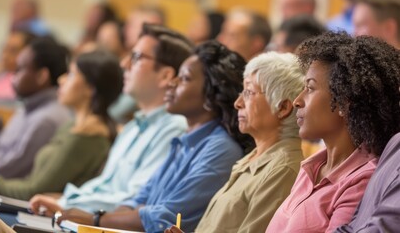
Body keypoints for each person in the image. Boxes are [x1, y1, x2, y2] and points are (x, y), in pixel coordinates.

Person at [50, 41, 249, 232]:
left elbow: (166, 217)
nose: (173, 83)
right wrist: (106, 223)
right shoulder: (184, 142)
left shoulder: (220, 148)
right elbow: (139, 200)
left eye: (185, 78)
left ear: (211, 94)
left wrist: (97, 220)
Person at [29, 24, 191, 215]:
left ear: (165, 75)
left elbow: (134, 200)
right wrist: (65, 200)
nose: (124, 64)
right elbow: (104, 185)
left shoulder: (174, 129)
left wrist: (68, 204)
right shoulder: (131, 127)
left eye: (136, 57)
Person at [266, 31, 400, 232]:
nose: (297, 101)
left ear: (343, 103)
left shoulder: (360, 179)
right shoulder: (312, 167)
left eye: (310, 88)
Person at [166, 51, 305, 233]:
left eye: (248, 92)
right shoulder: (250, 160)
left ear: (283, 107)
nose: (238, 103)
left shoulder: (283, 170)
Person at [0, 50, 123, 200]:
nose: (61, 80)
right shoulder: (72, 125)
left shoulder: (86, 137)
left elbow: (33, 192)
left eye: (71, 74)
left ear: (90, 89)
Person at [0, 38, 71, 179]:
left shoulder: (47, 119)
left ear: (41, 76)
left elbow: (6, 172)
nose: (13, 77)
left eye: (19, 70)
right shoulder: (27, 108)